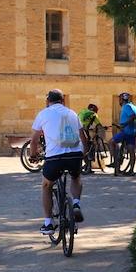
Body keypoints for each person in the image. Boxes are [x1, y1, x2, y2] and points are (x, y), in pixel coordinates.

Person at [26, 89, 85, 232]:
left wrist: (33, 155)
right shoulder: (72, 113)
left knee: (46, 186)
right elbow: (83, 137)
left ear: (47, 101)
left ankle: (49, 223)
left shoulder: (43, 114)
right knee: (76, 177)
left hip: (55, 158)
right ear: (63, 100)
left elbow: (34, 140)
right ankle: (76, 203)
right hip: (75, 155)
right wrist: (85, 153)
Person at [113, 92, 136, 157]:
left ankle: (115, 161)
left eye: (119, 99)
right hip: (133, 131)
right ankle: (131, 167)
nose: (119, 101)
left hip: (126, 131)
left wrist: (124, 124)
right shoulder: (133, 106)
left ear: (122, 99)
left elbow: (133, 116)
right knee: (132, 151)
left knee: (111, 142)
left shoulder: (126, 106)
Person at [79, 103, 105, 171]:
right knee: (90, 147)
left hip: (78, 132)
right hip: (86, 132)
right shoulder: (93, 114)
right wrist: (103, 128)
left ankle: (84, 165)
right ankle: (88, 167)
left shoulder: (82, 111)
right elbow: (98, 124)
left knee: (84, 148)